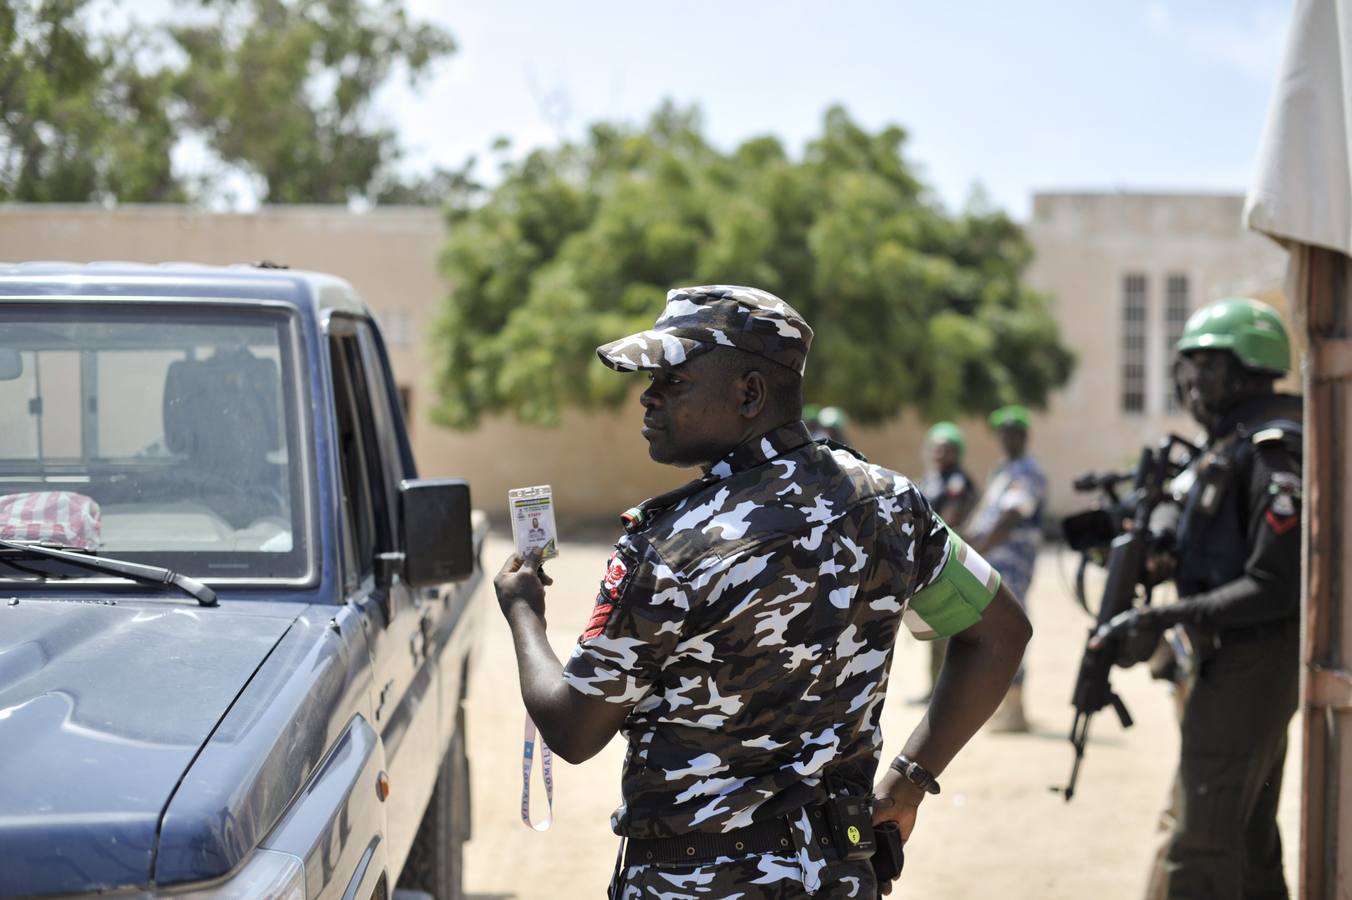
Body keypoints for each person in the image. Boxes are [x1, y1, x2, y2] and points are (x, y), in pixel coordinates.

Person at [493, 285, 1031, 898]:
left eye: (674, 380)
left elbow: (572, 729)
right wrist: (909, 780)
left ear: (749, 393)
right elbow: (1000, 633)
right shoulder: (892, 504)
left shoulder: (673, 547)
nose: (648, 396)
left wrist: (522, 612)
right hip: (841, 876)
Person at [1091, 297, 1302, 900]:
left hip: (1250, 661)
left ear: (1247, 366)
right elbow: (1220, 553)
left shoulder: (1273, 447)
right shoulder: (1230, 445)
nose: (1191, 381)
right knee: (1250, 841)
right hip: (1227, 657)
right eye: (1189, 366)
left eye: (1206, 365)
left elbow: (1273, 584)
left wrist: (1163, 615)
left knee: (1202, 845)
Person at [965, 404, 1047, 733]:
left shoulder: (1028, 471)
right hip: (993, 558)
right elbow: (986, 514)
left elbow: (1012, 516)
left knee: (1009, 624)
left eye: (1014, 431)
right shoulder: (1003, 470)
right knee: (990, 627)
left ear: (1024, 436)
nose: (1007, 437)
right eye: (1003, 431)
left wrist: (978, 548)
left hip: (1012, 560)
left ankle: (1015, 710)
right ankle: (1002, 705)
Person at [911, 421, 979, 704]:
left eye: (946, 448)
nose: (940, 453)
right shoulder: (931, 479)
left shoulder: (957, 482)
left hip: (946, 561)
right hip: (926, 562)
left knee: (948, 631)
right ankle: (934, 690)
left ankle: (950, 694)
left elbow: (948, 519)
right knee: (932, 630)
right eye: (936, 447)